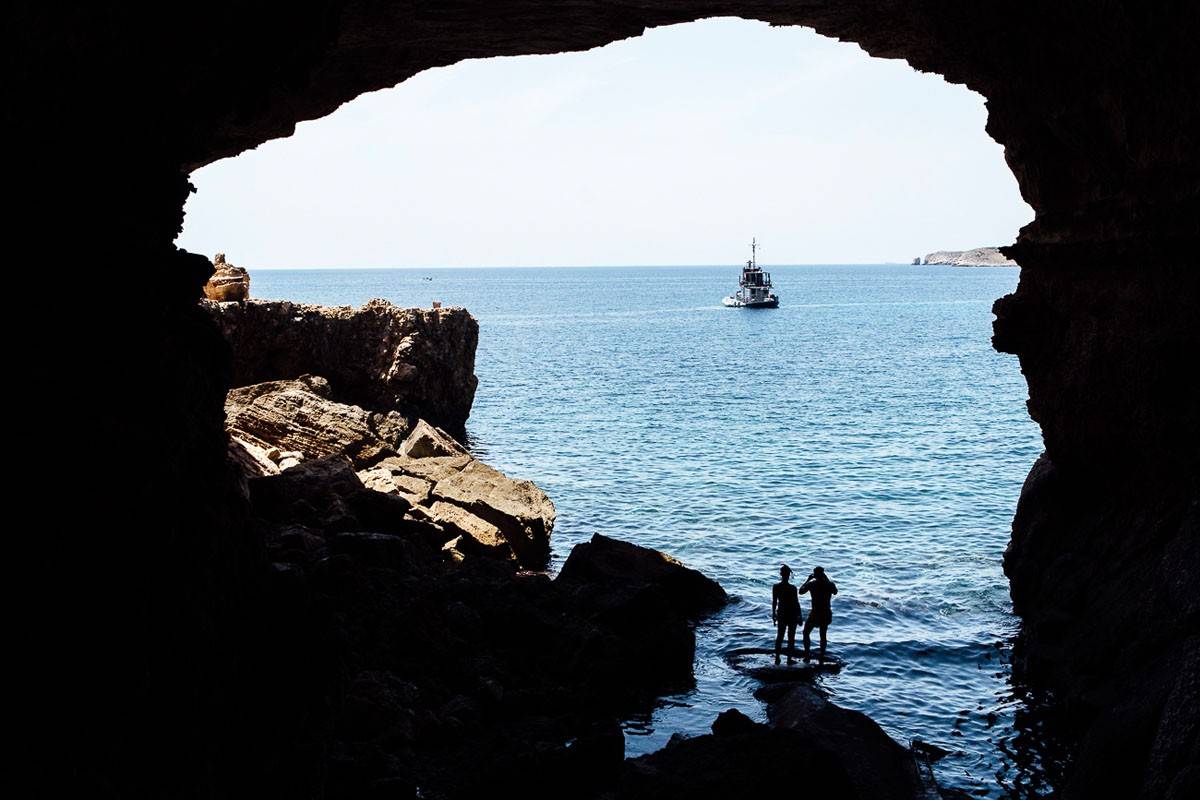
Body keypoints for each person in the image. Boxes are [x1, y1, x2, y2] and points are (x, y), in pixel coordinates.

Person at [799, 566, 838, 664]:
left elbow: (801, 591)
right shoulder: (829, 584)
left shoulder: (812, 584)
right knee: (823, 635)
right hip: (826, 612)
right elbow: (835, 592)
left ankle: (807, 655)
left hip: (815, 612)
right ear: (823, 574)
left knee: (806, 633)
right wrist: (826, 578)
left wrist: (807, 579)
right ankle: (822, 656)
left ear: (815, 574)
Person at [771, 565, 802, 664]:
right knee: (791, 637)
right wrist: (799, 616)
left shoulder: (776, 587)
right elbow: (796, 603)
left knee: (780, 636)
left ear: (781, 574)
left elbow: (774, 602)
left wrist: (773, 614)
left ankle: (777, 658)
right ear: (788, 575)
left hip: (782, 613)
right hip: (792, 613)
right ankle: (789, 659)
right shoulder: (793, 588)